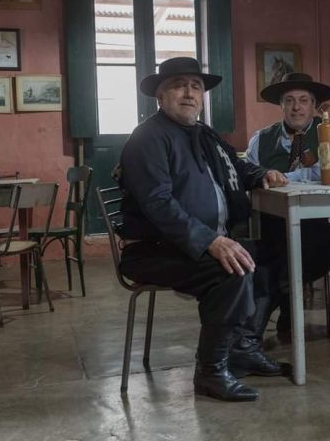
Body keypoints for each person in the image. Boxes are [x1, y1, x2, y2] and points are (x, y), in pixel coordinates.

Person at [117, 57, 290, 402]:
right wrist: (210, 240)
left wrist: (261, 175)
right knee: (231, 271)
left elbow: (236, 166)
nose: (189, 92)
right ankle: (210, 372)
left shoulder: (203, 134)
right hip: (154, 249)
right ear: (160, 97)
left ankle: (242, 347)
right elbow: (158, 204)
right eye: (179, 85)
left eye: (195, 86)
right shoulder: (148, 138)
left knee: (272, 257)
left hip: (194, 242)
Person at [246, 72, 330, 342]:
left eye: (303, 100)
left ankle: (250, 335)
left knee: (288, 261)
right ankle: (276, 322)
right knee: (275, 257)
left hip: (315, 233)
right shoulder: (261, 139)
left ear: (314, 106)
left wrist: (284, 177)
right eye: (289, 100)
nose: (296, 107)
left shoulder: (328, 133)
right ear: (281, 106)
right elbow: (249, 175)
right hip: (271, 232)